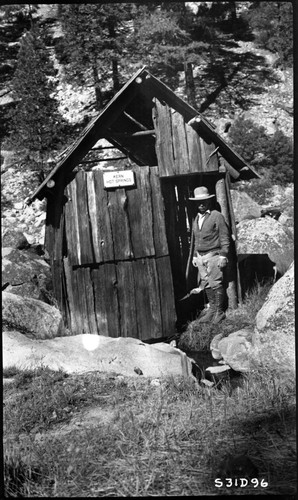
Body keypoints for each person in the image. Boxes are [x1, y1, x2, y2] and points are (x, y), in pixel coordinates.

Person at [187, 186, 230, 324]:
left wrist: (223, 255)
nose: (201, 204)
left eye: (204, 201)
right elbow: (196, 239)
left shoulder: (216, 215)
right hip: (200, 257)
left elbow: (224, 236)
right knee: (206, 283)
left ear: (209, 201)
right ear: (195, 203)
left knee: (216, 283)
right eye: (198, 202)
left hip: (213, 255)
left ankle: (219, 312)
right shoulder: (196, 218)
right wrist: (195, 256)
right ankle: (212, 310)